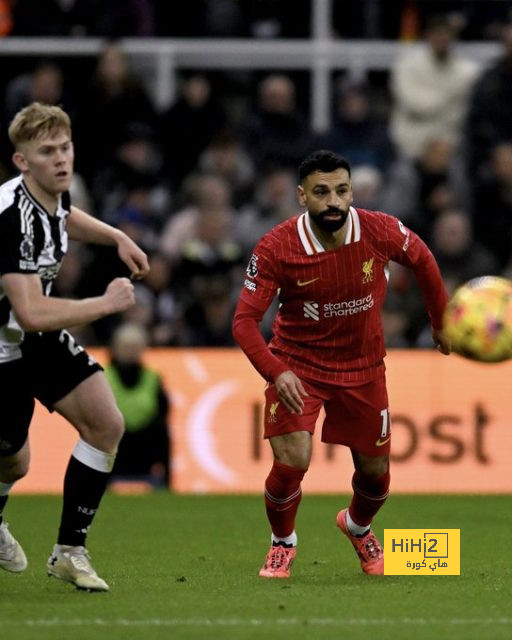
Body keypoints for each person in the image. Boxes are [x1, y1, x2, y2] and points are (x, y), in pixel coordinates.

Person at [232, 149, 450, 579]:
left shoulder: (378, 229)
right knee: (292, 460)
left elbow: (422, 258)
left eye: (341, 191)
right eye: (321, 192)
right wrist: (278, 371)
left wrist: (439, 322)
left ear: (351, 192)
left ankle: (357, 526)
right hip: (298, 366)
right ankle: (282, 543)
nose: (333, 201)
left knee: (376, 476)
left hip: (364, 367)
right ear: (302, 197)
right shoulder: (277, 247)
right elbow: (243, 323)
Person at [0, 102, 149, 591]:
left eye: (65, 147)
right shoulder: (11, 219)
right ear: (22, 162)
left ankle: (69, 550)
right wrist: (104, 305)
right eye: (47, 152)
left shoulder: (52, 192)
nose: (61, 159)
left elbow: (65, 216)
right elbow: (32, 312)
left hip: (32, 340)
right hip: (4, 346)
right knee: (14, 462)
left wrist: (115, 237)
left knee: (106, 423)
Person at [106, 323, 171, 488]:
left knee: (163, 431)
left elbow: (164, 412)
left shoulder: (153, 378)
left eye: (135, 347)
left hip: (146, 451)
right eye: (126, 346)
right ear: (115, 348)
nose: (131, 352)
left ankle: (165, 483)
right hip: (113, 451)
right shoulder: (103, 377)